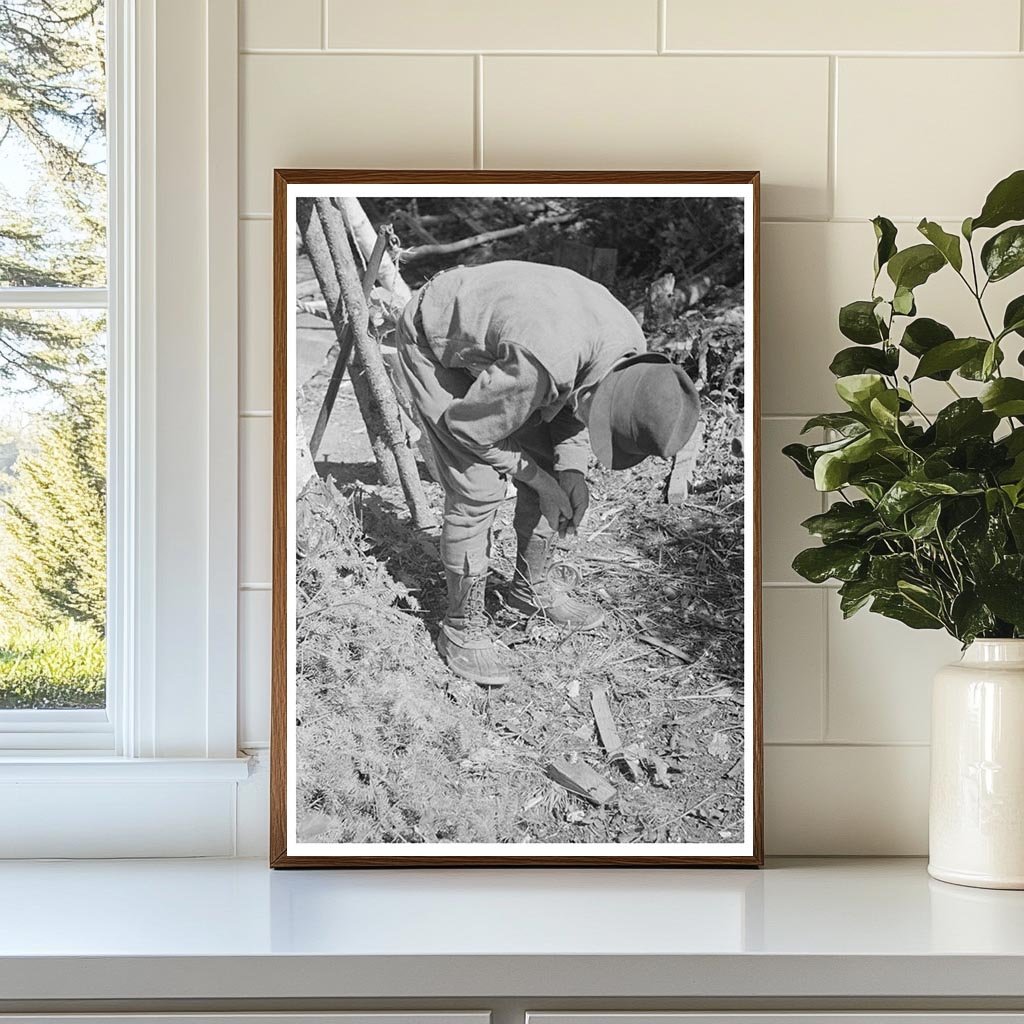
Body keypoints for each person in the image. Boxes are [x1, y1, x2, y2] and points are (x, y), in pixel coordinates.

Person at [396, 260, 700, 688]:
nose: (594, 432)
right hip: (437, 340)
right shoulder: (542, 361)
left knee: (554, 471)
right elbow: (469, 430)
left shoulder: (629, 348)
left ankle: (528, 588)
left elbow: (576, 402)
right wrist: (537, 478)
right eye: (602, 427)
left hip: (522, 351)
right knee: (478, 487)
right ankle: (461, 626)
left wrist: (571, 472)